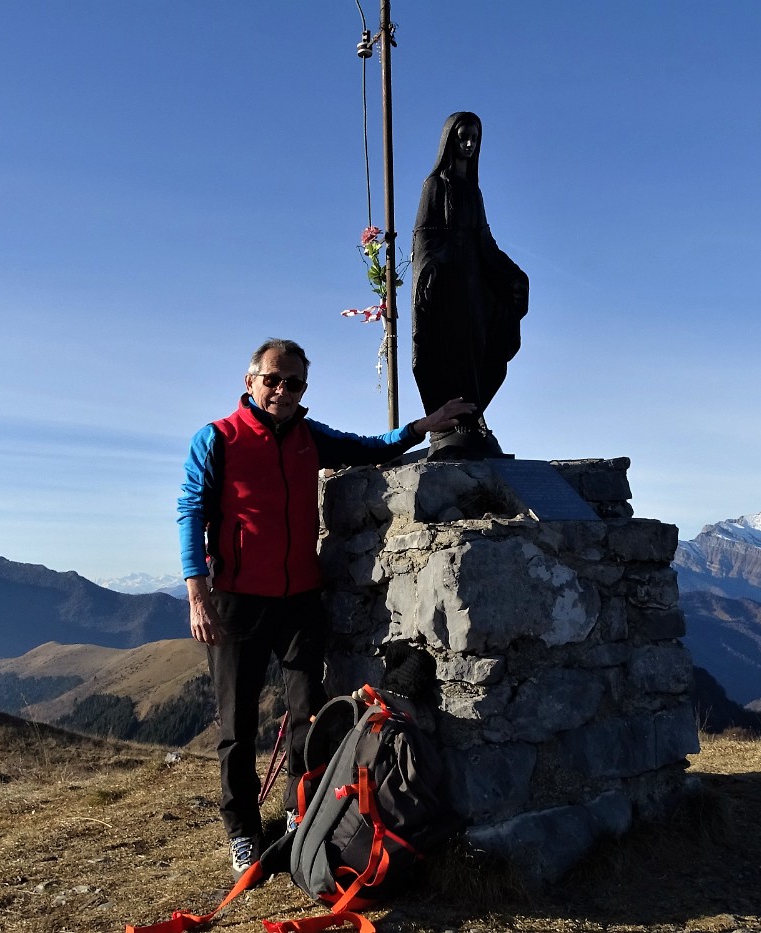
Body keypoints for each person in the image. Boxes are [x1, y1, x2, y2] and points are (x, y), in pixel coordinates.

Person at [177, 338, 474, 878]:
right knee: (237, 725)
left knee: (307, 714)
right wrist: (197, 594)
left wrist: (422, 426)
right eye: (273, 380)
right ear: (250, 382)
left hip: (299, 599)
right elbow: (189, 511)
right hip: (237, 600)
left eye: (295, 383)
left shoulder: (311, 439)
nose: (283, 391)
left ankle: (298, 815)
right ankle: (243, 831)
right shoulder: (216, 438)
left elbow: (368, 447)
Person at [411, 111, 529, 460]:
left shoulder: (473, 191)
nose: (468, 143)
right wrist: (430, 271)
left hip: (474, 285)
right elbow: (424, 238)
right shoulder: (435, 186)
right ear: (450, 140)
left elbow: (485, 241)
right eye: (462, 136)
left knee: (481, 350)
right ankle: (453, 424)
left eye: (474, 138)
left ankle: (473, 418)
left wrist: (511, 274)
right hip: (447, 289)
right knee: (452, 352)